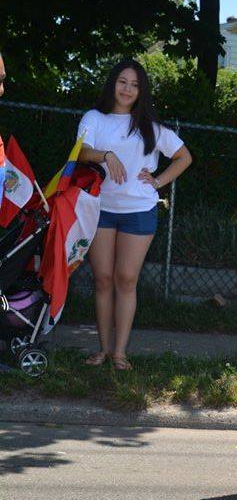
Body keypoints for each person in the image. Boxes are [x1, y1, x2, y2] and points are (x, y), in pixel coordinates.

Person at [77, 59, 192, 370]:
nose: (127, 89)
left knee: (126, 279)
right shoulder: (95, 118)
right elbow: (81, 152)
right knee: (102, 279)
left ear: (142, 91)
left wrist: (157, 182)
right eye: (122, 82)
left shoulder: (151, 128)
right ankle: (102, 349)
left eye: (135, 84)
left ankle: (120, 353)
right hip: (100, 209)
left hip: (139, 211)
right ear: (112, 83)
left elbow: (184, 157)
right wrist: (105, 155)